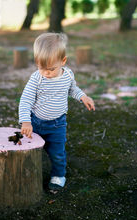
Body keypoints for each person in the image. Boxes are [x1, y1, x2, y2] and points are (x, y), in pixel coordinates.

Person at [19, 32, 95, 191]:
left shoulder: (67, 75)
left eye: (51, 69)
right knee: (27, 150)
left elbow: (72, 89)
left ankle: (58, 175)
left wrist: (83, 97)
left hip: (57, 125)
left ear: (63, 61)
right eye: (41, 67)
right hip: (36, 123)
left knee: (57, 153)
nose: (46, 72)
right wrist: (26, 121)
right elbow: (25, 100)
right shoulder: (36, 79)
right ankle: (24, 174)